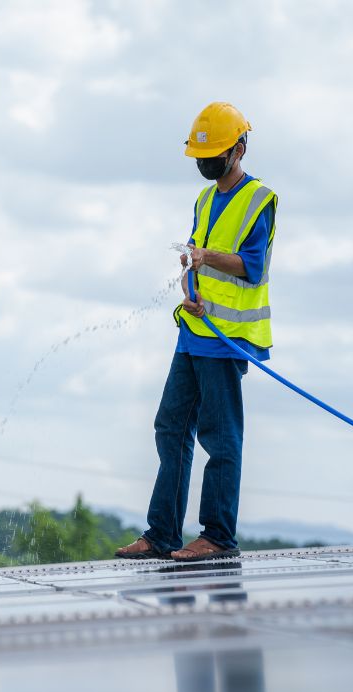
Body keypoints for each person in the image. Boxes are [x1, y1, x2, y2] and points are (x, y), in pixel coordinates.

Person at [116, 102, 278, 562]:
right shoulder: (206, 199)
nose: (205, 166)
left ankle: (217, 536)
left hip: (226, 340)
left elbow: (251, 266)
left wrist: (207, 257)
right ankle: (162, 533)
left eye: (213, 156)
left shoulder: (258, 200)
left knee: (220, 437)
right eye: (200, 158)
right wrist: (191, 283)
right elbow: (194, 256)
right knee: (171, 425)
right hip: (194, 330)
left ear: (239, 149)